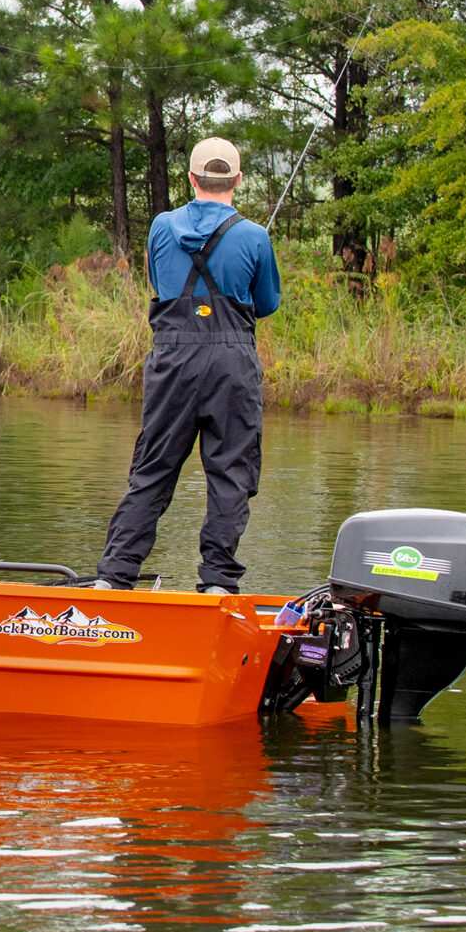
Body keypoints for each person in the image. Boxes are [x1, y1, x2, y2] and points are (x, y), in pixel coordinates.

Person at [95, 136, 282, 594]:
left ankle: (114, 577)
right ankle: (217, 583)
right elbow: (266, 304)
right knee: (231, 473)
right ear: (237, 180)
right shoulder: (255, 236)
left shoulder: (161, 227)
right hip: (231, 363)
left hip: (173, 359)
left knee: (153, 469)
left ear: (192, 178)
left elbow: (160, 284)